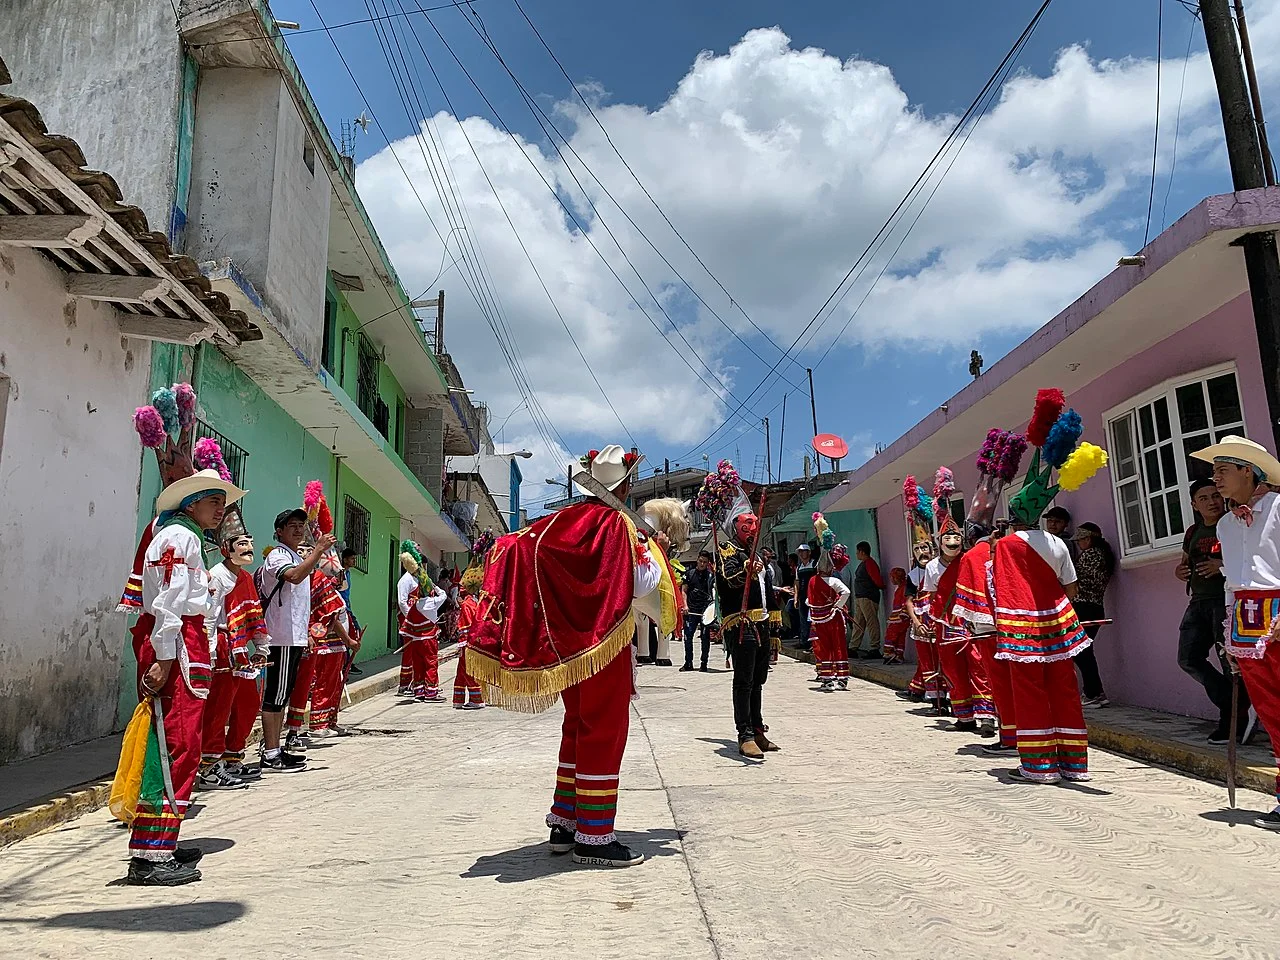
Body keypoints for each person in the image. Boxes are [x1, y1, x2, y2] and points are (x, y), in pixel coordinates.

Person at [468, 444, 661, 867]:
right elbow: (641, 584)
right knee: (604, 732)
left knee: (576, 727)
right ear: (625, 485)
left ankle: (565, 822)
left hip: (568, 648)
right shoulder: (616, 525)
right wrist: (656, 553)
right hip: (603, 643)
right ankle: (594, 837)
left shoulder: (562, 521)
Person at [125, 468, 245, 886]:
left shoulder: (187, 536)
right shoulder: (181, 537)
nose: (221, 511)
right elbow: (168, 601)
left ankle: (163, 842)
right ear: (193, 502)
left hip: (182, 642)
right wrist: (163, 656)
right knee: (174, 743)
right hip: (174, 644)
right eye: (215, 502)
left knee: (184, 743)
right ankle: (150, 857)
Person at [1191, 436, 1280, 828]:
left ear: (1248, 470)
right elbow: (1232, 581)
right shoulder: (1226, 524)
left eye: (1223, 471)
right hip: (1245, 617)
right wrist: (1230, 633)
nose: (1217, 479)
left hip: (1278, 611)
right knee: (1272, 711)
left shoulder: (1279, 508)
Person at [1176, 478, 1254, 744]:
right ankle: (1235, 703)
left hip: (1224, 602)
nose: (1211, 501)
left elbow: (1249, 557)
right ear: (1194, 505)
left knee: (1228, 663)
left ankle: (1233, 721)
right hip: (1198, 602)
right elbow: (1183, 562)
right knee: (1187, 658)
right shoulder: (1192, 532)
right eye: (1204, 498)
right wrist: (1181, 571)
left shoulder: (1234, 523)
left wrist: (1220, 566)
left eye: (1214, 495)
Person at [258, 508, 335, 772]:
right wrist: (318, 550)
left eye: (301, 525)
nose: (299, 529)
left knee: (283, 695)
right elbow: (293, 576)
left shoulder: (294, 556)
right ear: (279, 531)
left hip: (293, 638)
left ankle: (275, 748)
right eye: (292, 525)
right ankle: (270, 752)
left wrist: (305, 636)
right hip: (279, 638)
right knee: (276, 696)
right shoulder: (278, 555)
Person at [199, 509, 269, 790]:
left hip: (240, 651)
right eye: (242, 543)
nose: (249, 547)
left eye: (250, 542)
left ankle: (232, 759)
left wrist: (261, 646)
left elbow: (254, 613)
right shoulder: (217, 577)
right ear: (226, 549)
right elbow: (209, 616)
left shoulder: (246, 578)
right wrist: (211, 652)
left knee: (247, 705)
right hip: (222, 650)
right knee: (218, 709)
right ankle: (209, 769)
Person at [716, 497, 777, 758]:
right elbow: (729, 579)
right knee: (744, 680)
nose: (753, 527)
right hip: (741, 621)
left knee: (758, 681)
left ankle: (757, 729)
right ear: (736, 525)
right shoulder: (727, 550)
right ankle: (744, 734)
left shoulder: (759, 553)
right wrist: (746, 569)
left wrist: (774, 625)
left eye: (754, 522)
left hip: (761, 622)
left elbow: (766, 590)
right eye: (748, 522)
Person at [928, 510, 996, 735]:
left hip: (970, 621)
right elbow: (931, 596)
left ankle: (986, 717)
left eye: (956, 544)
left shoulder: (969, 560)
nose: (953, 549)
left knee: (979, 668)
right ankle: (964, 716)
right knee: (953, 671)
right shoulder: (932, 567)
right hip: (946, 624)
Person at [397, 542, 449, 702]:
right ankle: (410, 686)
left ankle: (418, 688)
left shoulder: (418, 586)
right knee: (422, 660)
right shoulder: (405, 581)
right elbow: (402, 602)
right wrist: (410, 620)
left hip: (415, 622)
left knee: (417, 660)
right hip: (414, 624)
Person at [1072, 522, 1114, 708]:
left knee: (1081, 651)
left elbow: (1074, 581)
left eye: (1081, 539)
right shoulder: (1103, 554)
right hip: (1095, 607)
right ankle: (1095, 692)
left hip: (1084, 608)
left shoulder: (1091, 555)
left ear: (1089, 539)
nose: (1079, 543)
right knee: (1083, 651)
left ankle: (1093, 692)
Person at [808, 516, 851, 690]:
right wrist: (837, 606)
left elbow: (808, 600)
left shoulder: (813, 580)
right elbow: (846, 592)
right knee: (838, 645)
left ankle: (828, 677)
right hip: (833, 618)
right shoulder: (833, 580)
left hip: (819, 619)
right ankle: (841, 677)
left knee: (826, 647)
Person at [901, 538, 941, 703]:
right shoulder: (912, 576)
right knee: (927, 662)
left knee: (944, 662)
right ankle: (935, 699)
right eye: (916, 549)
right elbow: (909, 601)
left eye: (924, 547)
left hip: (942, 623)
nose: (921, 552)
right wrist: (917, 623)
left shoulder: (941, 569)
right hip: (922, 625)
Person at [452, 563, 486, 709]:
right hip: (474, 642)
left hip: (468, 644)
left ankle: (477, 700)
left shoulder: (467, 605)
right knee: (461, 671)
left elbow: (465, 628)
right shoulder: (474, 602)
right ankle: (458, 700)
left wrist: (462, 645)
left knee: (468, 671)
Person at [848, 541, 884, 660]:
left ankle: (874, 647)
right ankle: (853, 647)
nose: (857, 554)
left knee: (871, 622)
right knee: (858, 622)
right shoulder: (864, 564)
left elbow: (877, 579)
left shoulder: (869, 563)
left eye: (858, 552)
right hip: (860, 597)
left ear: (862, 552)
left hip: (868, 597)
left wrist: (880, 586)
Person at [682, 550, 715, 672]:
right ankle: (688, 663)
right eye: (700, 561)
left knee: (705, 638)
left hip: (705, 612)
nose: (702, 564)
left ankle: (704, 663)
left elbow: (714, 593)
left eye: (705, 562)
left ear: (708, 563)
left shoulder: (711, 576)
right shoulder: (689, 574)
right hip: (691, 611)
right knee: (688, 637)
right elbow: (684, 590)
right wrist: (685, 606)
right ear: (697, 560)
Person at [339, 548, 363, 676]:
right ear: (345, 559)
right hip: (341, 609)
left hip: (347, 608)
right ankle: (345, 665)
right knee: (347, 636)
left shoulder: (348, 573)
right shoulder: (340, 573)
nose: (354, 561)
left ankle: (347, 663)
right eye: (352, 558)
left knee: (355, 633)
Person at [883, 567, 910, 664]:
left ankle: (889, 653)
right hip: (898, 616)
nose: (891, 579)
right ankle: (899, 655)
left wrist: (904, 613)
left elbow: (906, 601)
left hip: (901, 617)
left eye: (892, 577)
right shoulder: (900, 587)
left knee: (891, 634)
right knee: (900, 636)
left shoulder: (904, 588)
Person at [794, 544, 815, 650]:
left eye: (803, 551)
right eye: (800, 552)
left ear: (809, 552)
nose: (801, 554)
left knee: (813, 619)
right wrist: (795, 598)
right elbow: (796, 583)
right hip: (803, 597)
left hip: (813, 597)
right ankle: (804, 641)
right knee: (803, 619)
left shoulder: (814, 564)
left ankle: (814, 643)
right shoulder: (799, 567)